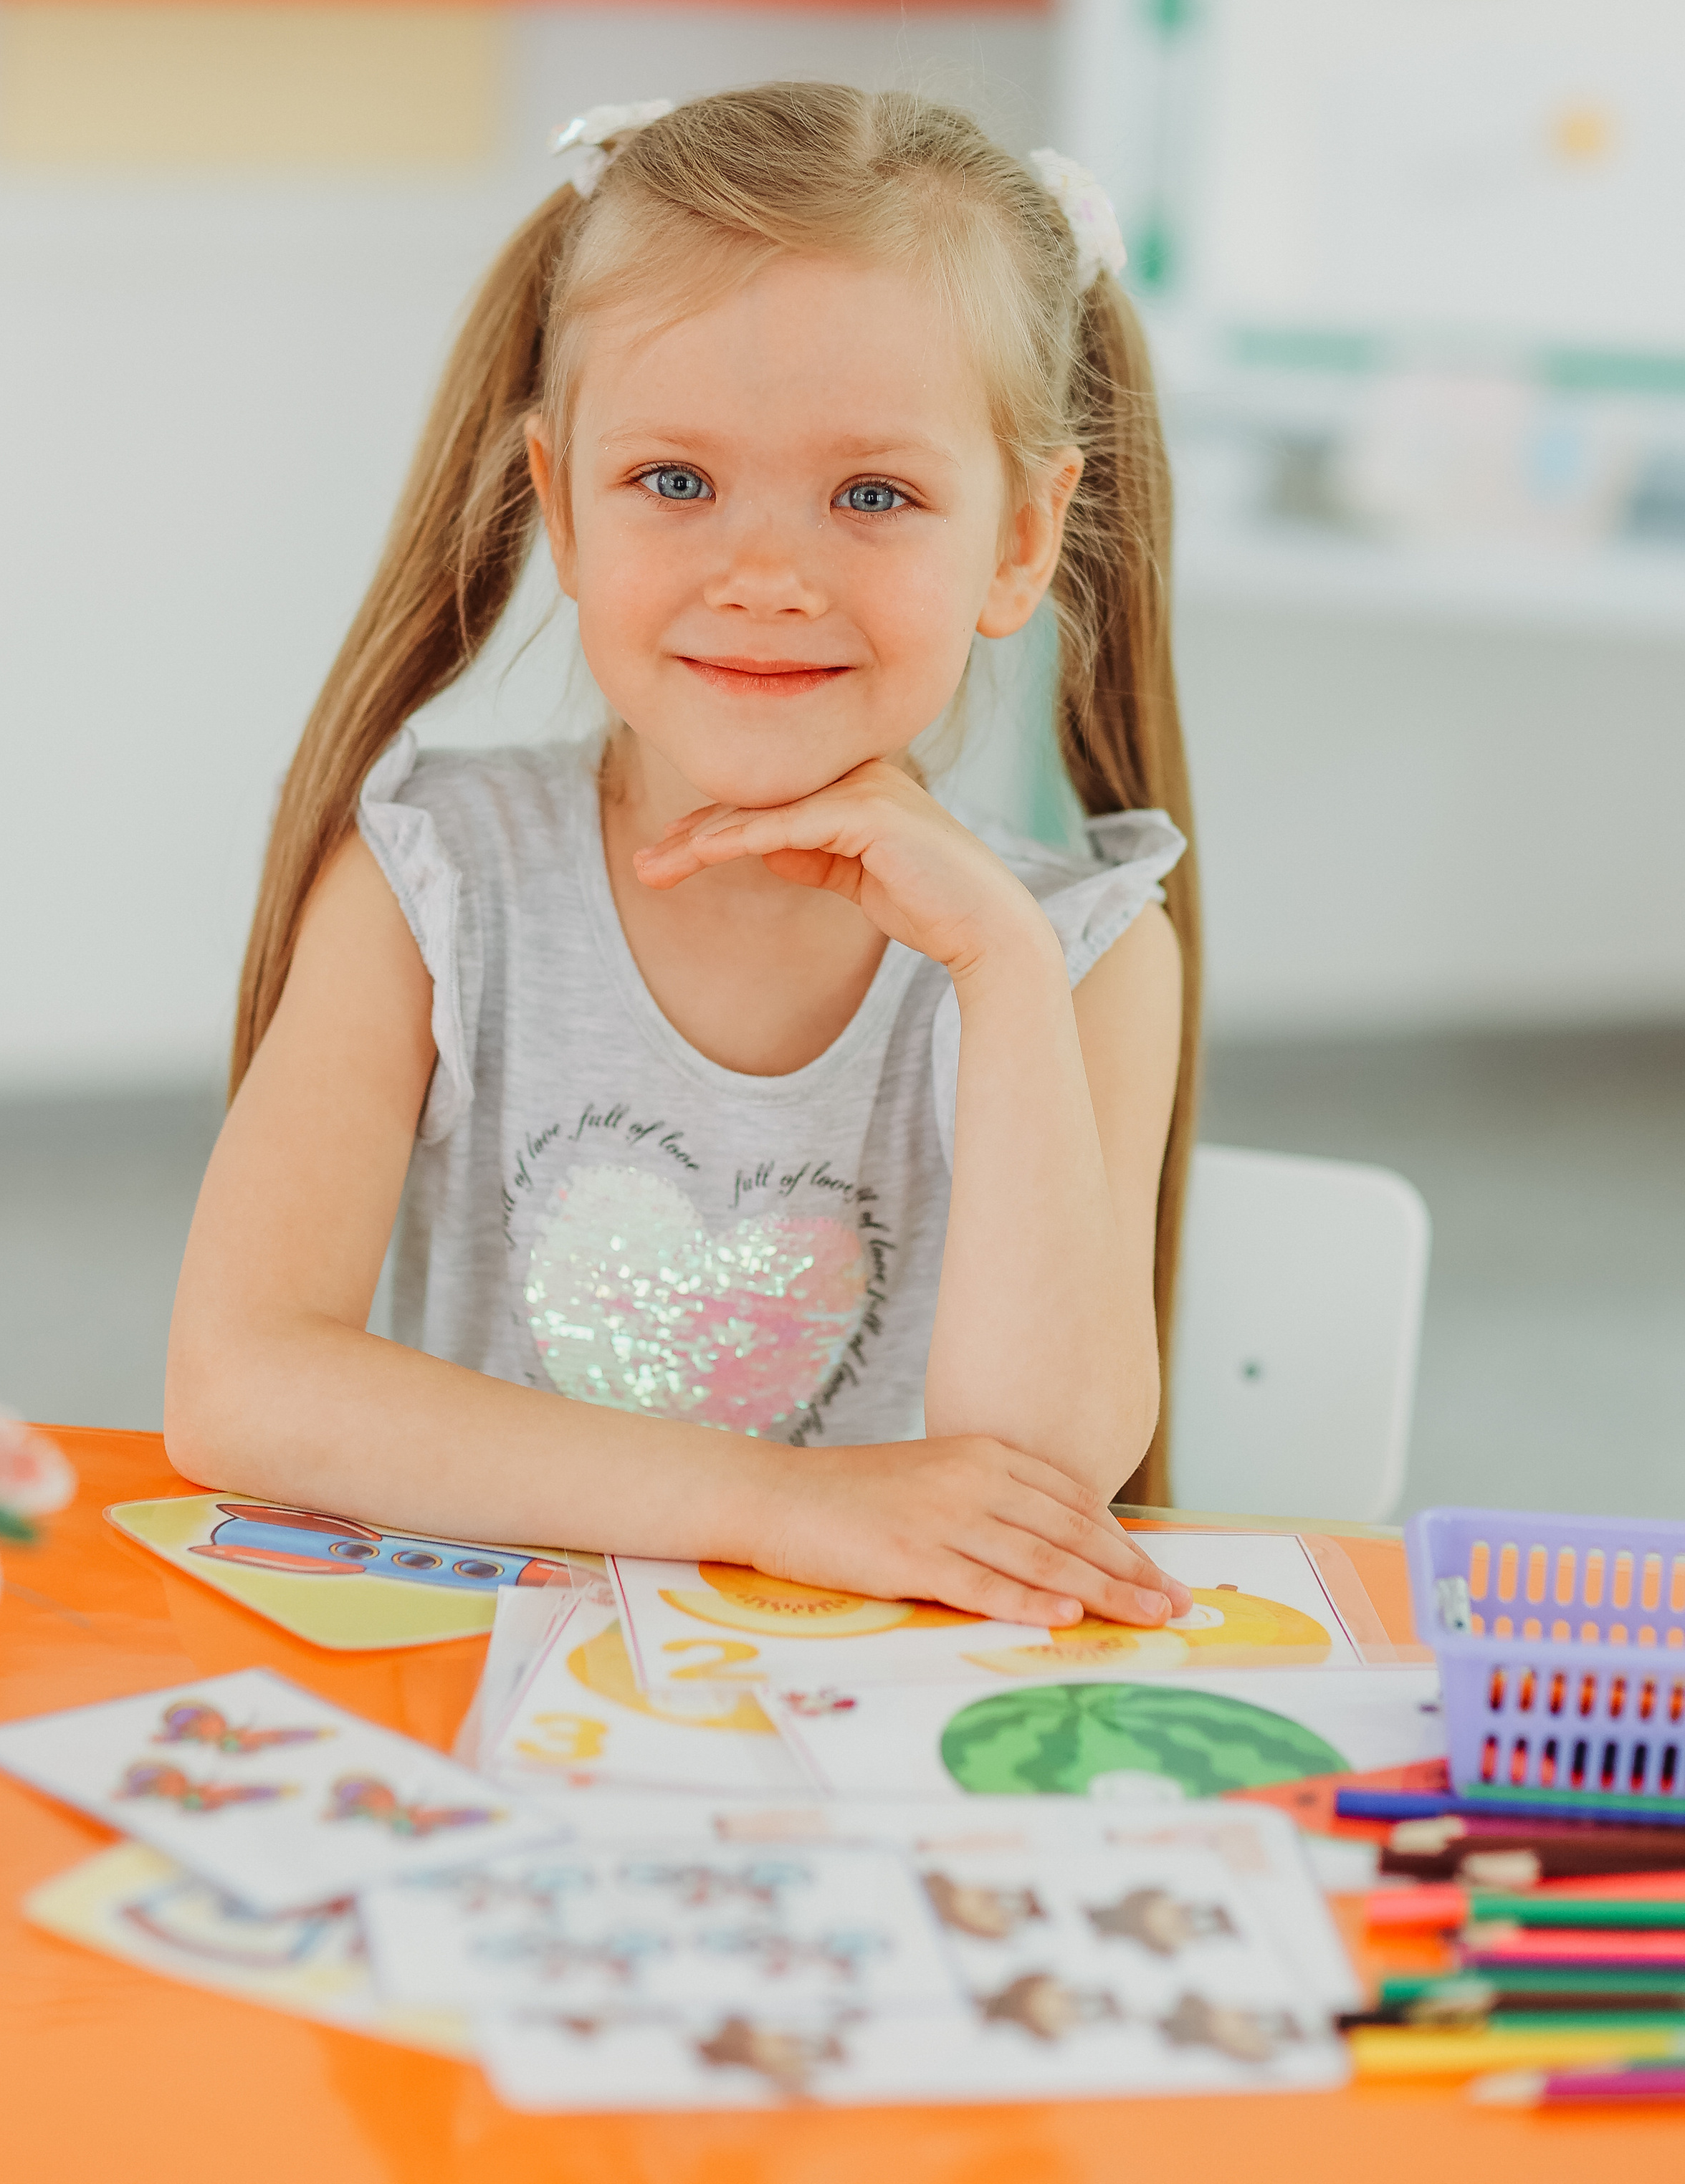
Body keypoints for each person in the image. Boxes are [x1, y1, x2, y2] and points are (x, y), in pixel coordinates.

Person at [166, 85, 1200, 1634]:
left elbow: (1034, 1479)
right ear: (561, 509)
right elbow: (236, 1386)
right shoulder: (431, 871)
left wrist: (999, 969)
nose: (767, 577)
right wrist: (769, 1508)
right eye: (674, 482)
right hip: (487, 1693)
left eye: (873, 495)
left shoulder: (1083, 949)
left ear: (1018, 540)